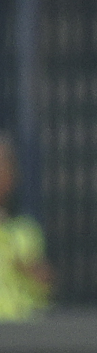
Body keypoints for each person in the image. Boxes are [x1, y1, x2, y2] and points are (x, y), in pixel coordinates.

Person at [0, 133, 52, 320]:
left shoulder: (26, 230)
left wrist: (30, 269)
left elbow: (44, 284)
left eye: (4, 167)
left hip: (23, 329)